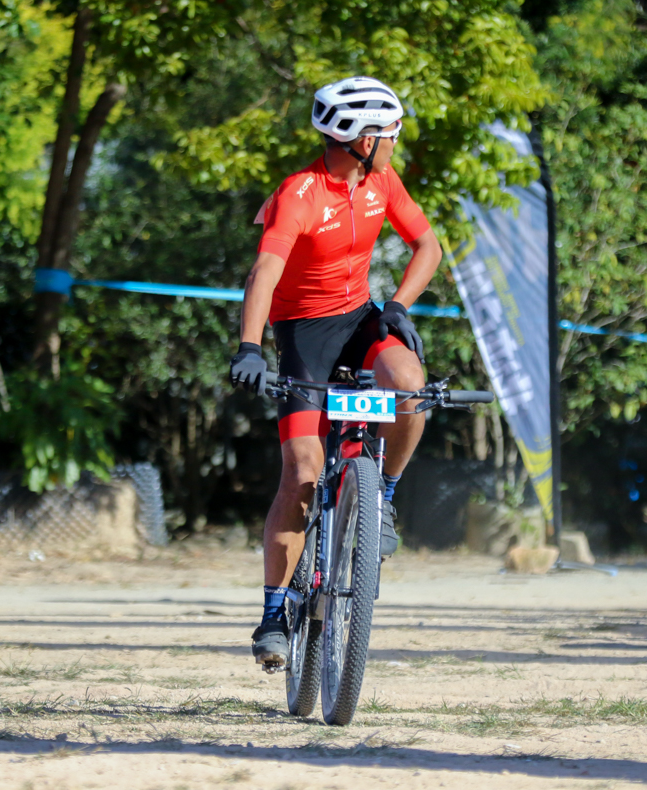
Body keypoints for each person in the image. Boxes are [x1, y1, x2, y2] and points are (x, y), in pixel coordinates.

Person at [229, 76, 443, 667]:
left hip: (359, 320)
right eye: (391, 136)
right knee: (301, 473)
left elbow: (428, 247)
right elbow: (264, 274)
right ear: (360, 139)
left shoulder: (382, 183)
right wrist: (251, 347)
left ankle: (383, 497)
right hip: (304, 335)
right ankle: (274, 610)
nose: (396, 144)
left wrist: (397, 305)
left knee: (411, 385)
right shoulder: (300, 193)